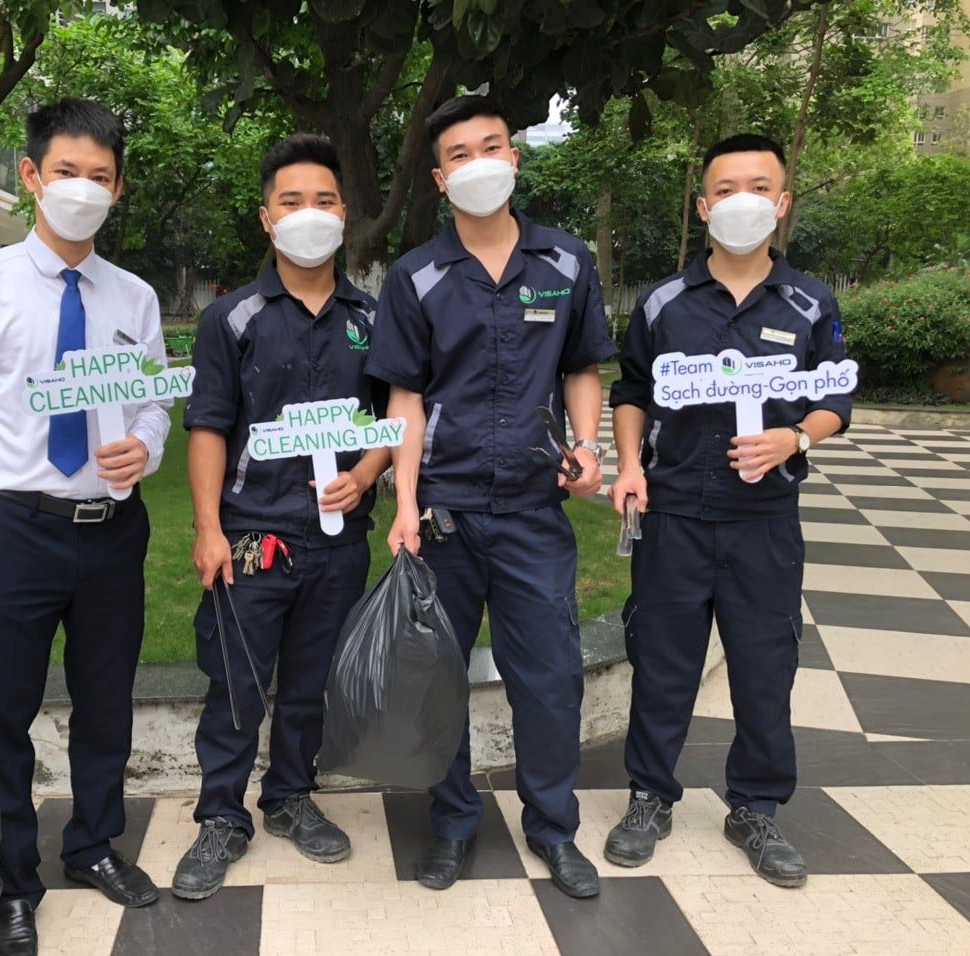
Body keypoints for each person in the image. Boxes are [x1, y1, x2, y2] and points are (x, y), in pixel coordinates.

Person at [0, 99, 168, 955]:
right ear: (30, 175)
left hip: (112, 532)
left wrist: (146, 446)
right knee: (1, 715)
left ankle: (93, 846)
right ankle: (11, 881)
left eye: (100, 178)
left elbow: (153, 402)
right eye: (67, 172)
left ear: (118, 189)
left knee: (106, 705)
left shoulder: (135, 297)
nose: (83, 190)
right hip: (15, 532)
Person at [365, 95, 616, 898]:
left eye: (493, 146)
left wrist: (586, 445)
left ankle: (553, 827)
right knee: (437, 676)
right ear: (441, 179)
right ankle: (452, 825)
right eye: (461, 155)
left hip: (534, 513)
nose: (481, 164)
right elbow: (403, 398)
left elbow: (583, 367)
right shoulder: (417, 276)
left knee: (549, 675)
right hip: (444, 510)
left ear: (515, 156)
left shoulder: (567, 263)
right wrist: (403, 504)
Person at [605, 133, 853, 888]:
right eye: (726, 187)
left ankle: (757, 806)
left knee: (764, 665)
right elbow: (631, 392)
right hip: (676, 515)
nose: (741, 200)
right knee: (664, 664)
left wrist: (793, 437)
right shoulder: (664, 303)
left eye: (759, 186)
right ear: (704, 204)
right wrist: (627, 468)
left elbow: (835, 397)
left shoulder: (810, 303)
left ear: (780, 205)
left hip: (764, 524)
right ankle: (650, 796)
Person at [173, 134, 390, 900]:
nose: (309, 214)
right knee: (237, 682)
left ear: (345, 213)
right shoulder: (232, 320)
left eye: (324, 200)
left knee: (310, 683)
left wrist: (366, 475)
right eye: (292, 202)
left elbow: (395, 420)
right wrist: (207, 528)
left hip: (339, 541)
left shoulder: (375, 317)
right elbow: (207, 428)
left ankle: (292, 797)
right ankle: (222, 817)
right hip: (252, 537)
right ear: (267, 219)